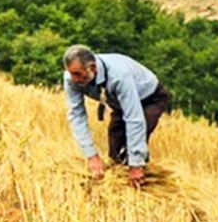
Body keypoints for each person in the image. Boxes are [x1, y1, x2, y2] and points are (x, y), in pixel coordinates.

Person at [62, 44, 172, 188]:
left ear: (93, 68)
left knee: (130, 148)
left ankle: (143, 184)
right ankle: (120, 189)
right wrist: (91, 155)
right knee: (116, 150)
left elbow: (134, 119)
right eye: (71, 73)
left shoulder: (119, 76)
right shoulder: (71, 79)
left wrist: (136, 165)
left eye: (77, 74)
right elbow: (76, 115)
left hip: (149, 98)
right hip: (118, 102)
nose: (74, 79)